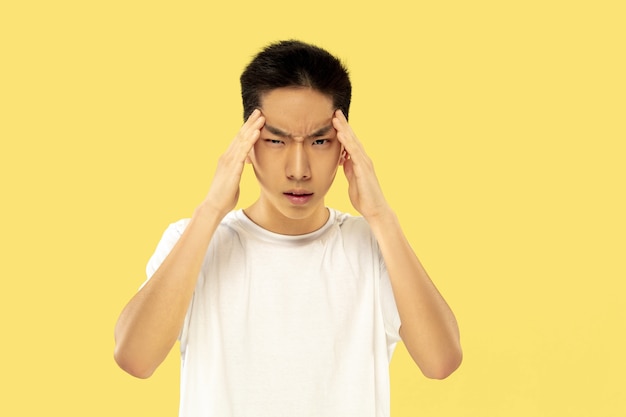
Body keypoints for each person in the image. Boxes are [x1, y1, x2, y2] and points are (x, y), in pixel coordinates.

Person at [114, 40, 462, 417]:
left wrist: (381, 216)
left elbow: (440, 361)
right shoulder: (196, 241)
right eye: (276, 140)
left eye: (319, 141)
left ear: (344, 146)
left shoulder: (371, 246)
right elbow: (135, 357)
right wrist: (211, 210)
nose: (299, 168)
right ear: (247, 143)